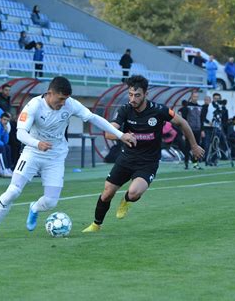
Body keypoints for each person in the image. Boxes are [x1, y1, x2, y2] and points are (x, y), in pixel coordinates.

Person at [0, 76, 137, 239]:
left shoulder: (70, 104)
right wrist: (37, 143)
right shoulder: (34, 105)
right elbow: (20, 133)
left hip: (55, 156)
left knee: (51, 202)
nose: (63, 103)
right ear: (50, 93)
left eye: (66, 99)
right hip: (32, 153)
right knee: (13, 191)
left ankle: (34, 208)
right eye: (61, 98)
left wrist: (120, 135)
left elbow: (93, 118)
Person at [82, 75, 204, 232]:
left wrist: (194, 146)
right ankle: (96, 225)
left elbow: (182, 123)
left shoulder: (159, 110)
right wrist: (121, 135)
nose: (133, 98)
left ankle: (126, 200)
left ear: (146, 94)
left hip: (148, 163)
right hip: (125, 159)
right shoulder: (125, 110)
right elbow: (108, 132)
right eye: (130, 94)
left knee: (133, 193)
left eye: (137, 95)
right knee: (107, 193)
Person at [178, 92, 204, 170]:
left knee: (197, 147)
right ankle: (186, 163)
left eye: (196, 97)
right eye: (194, 96)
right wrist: (184, 131)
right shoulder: (187, 107)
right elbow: (183, 119)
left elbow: (201, 119)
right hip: (190, 130)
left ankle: (195, 163)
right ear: (191, 97)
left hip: (198, 129)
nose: (195, 98)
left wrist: (202, 130)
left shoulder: (200, 107)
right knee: (188, 147)